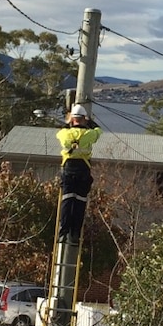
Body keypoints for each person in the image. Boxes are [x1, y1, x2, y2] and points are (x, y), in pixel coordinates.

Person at [56, 103, 101, 244]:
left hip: (68, 169)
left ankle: (63, 231)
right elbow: (98, 130)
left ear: (72, 119)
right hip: (83, 169)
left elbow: (61, 131)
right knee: (80, 202)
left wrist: (68, 121)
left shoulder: (65, 134)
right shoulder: (89, 134)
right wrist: (89, 120)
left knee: (67, 201)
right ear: (83, 119)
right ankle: (75, 233)